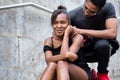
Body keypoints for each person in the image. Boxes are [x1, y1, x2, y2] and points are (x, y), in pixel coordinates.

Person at [68, 0, 119, 80]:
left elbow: (112, 33)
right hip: (82, 51)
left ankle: (102, 73)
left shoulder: (108, 8)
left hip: (102, 49)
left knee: (102, 44)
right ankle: (89, 73)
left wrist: (82, 31)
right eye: (85, 7)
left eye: (91, 12)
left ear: (100, 9)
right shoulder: (72, 15)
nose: (86, 12)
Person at [40, 5, 91, 80]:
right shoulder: (49, 40)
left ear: (69, 24)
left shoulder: (77, 37)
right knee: (52, 65)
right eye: (55, 23)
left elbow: (68, 59)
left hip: (81, 73)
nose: (59, 26)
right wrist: (66, 55)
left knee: (61, 63)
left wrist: (66, 35)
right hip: (60, 72)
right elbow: (48, 60)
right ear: (52, 25)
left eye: (63, 22)